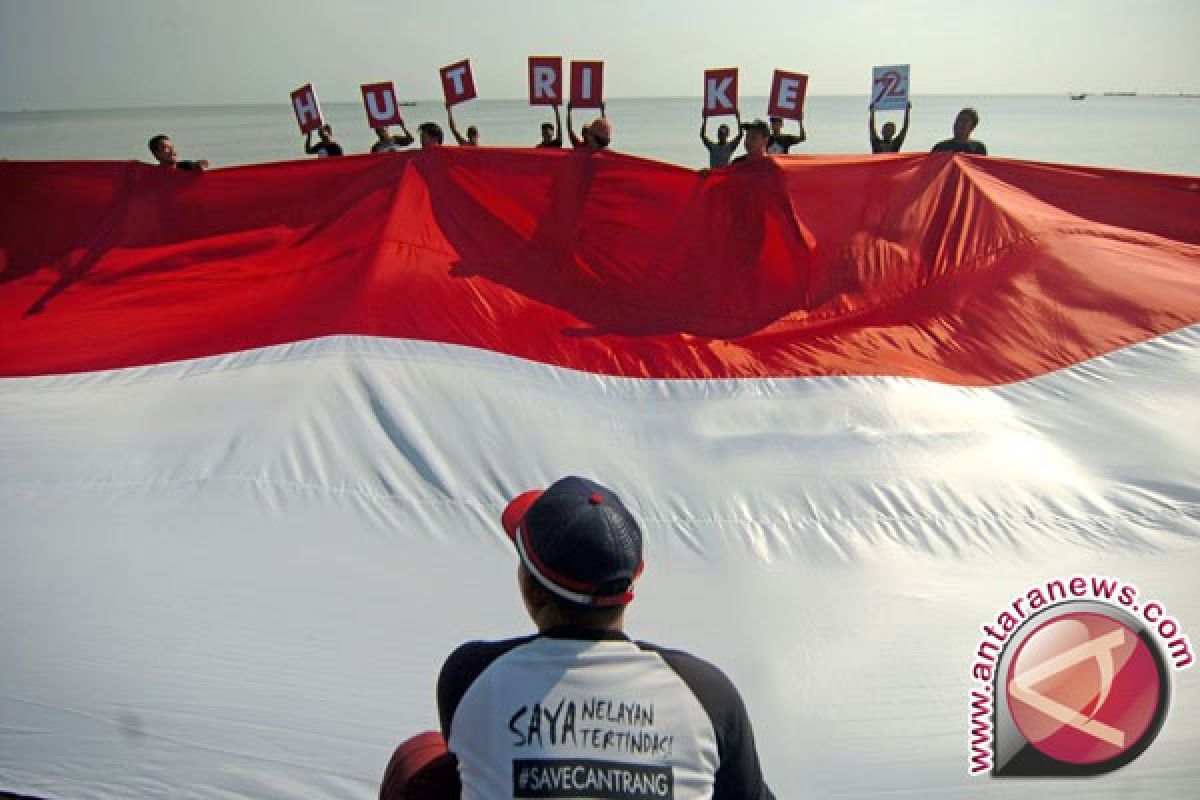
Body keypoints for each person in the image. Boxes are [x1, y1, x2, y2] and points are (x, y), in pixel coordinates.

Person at [422, 476, 776, 800]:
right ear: (632, 583)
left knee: (420, 761)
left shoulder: (472, 677)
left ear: (531, 591)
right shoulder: (708, 696)